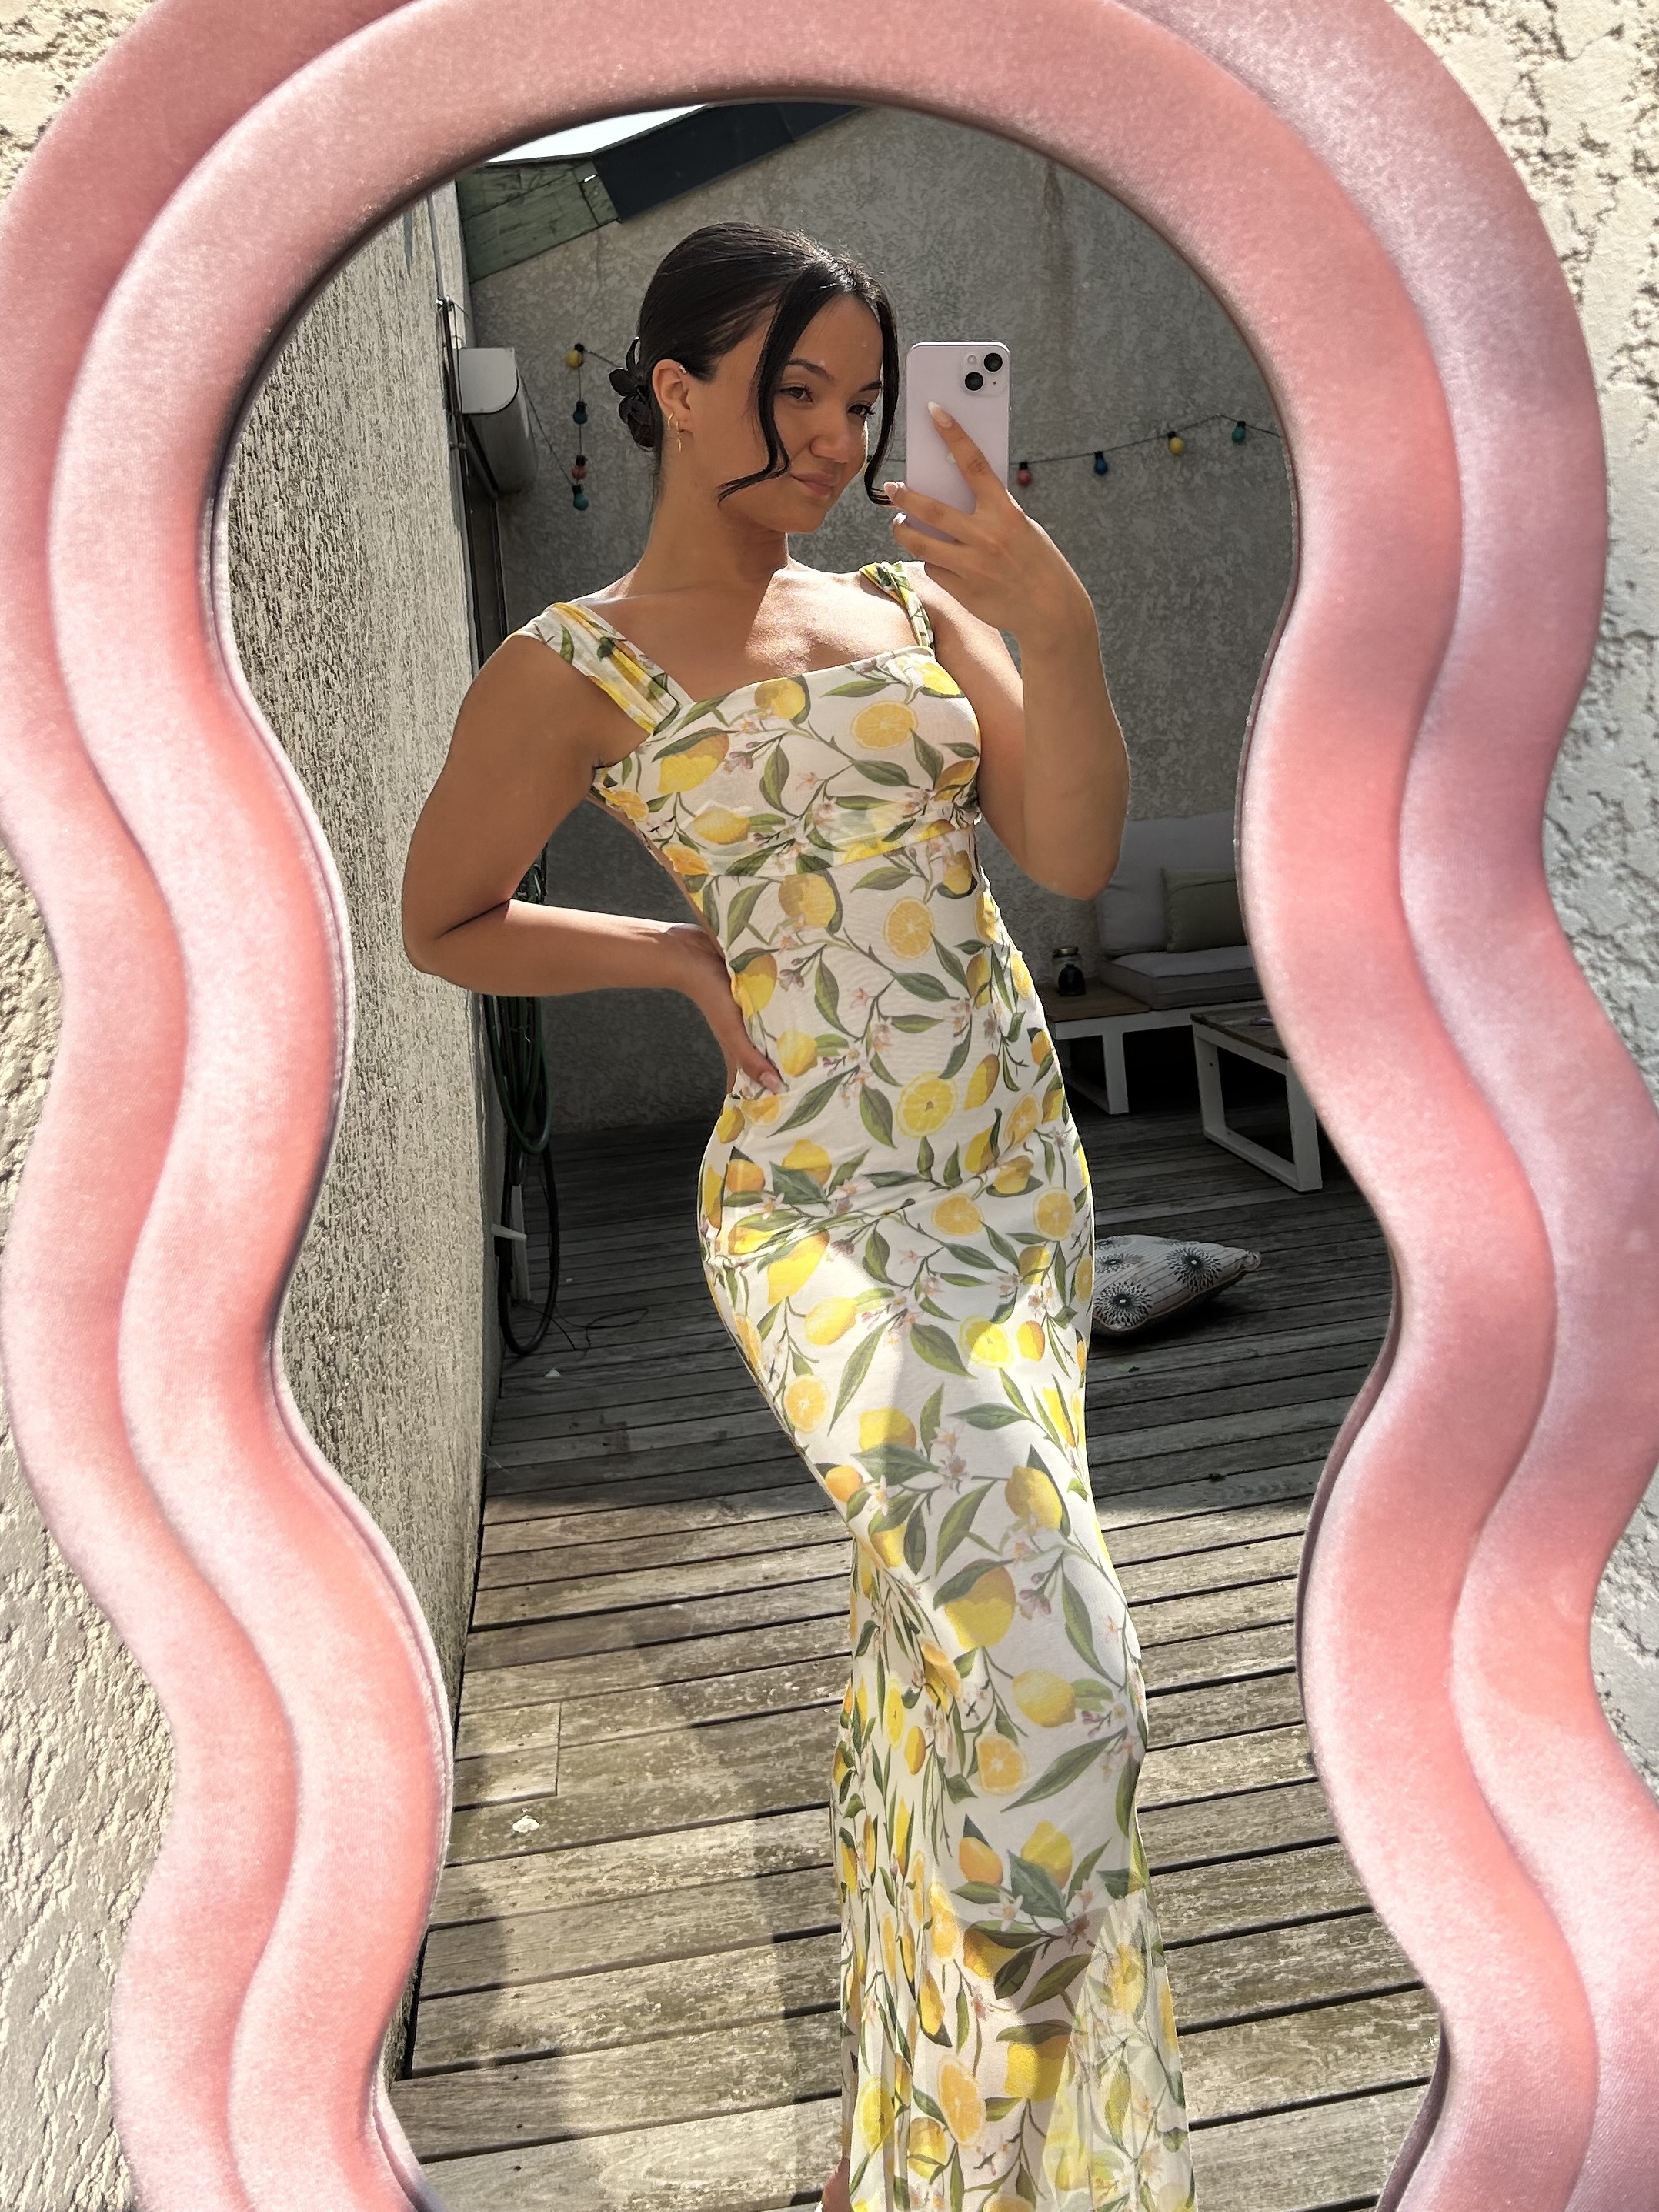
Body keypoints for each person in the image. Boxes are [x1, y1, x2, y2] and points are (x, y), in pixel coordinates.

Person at [402, 221, 1194, 2212]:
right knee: (1063, 1680)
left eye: (864, 398)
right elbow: (444, 915)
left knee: (938, 1670)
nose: (841, 438)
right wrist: (674, 956)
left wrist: (1056, 624)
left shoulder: (909, 607)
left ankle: (903, 2153)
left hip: (1008, 1175)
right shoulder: (569, 663)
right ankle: (995, 2151)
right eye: (798, 394)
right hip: (816, 1206)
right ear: (674, 391)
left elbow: (1069, 844)